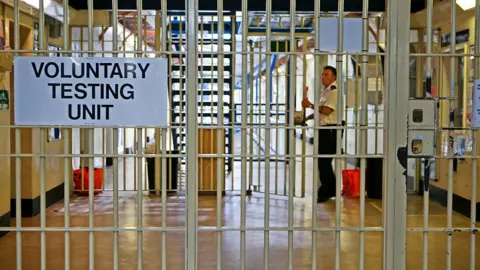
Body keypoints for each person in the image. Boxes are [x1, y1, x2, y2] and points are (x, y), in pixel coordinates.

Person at [302, 65, 341, 203]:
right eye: (322, 74)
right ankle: (329, 188)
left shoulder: (334, 91)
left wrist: (310, 105)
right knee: (323, 162)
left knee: (324, 161)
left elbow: (326, 111)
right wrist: (308, 117)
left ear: (334, 77)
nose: (323, 76)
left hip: (330, 130)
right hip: (324, 130)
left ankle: (328, 189)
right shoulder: (325, 91)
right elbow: (321, 111)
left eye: (326, 74)